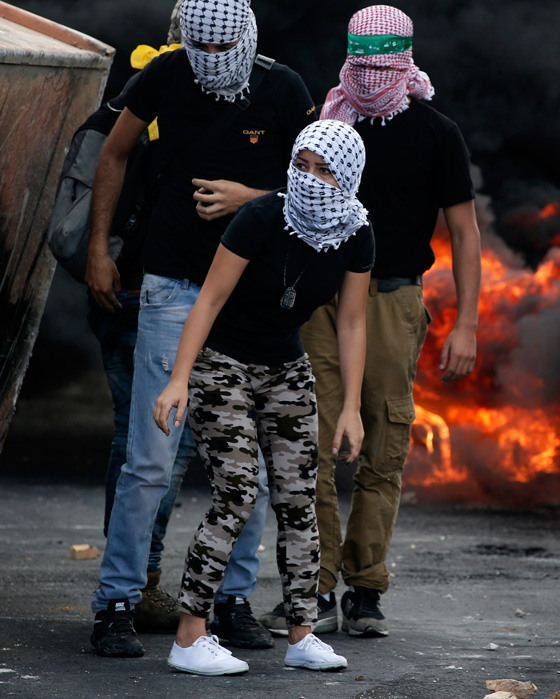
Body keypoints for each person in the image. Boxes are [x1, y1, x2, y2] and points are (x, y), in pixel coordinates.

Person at [86, 0, 316, 658]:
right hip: (172, 287)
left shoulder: (283, 87)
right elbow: (114, 152)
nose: (211, 61)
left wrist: (249, 199)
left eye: (223, 48)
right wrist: (99, 246)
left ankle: (233, 600)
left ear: (246, 35)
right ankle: (116, 601)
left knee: (253, 468)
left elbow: (317, 184)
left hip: (247, 301)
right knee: (149, 460)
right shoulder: (165, 73)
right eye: (201, 48)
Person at [260, 4, 482, 638]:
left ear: (405, 61)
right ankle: (315, 587)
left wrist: (467, 324)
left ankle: (365, 587)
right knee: (311, 439)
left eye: (380, 65)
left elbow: (465, 234)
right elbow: (288, 202)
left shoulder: (436, 132)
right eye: (358, 63)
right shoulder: (327, 126)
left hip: (390, 301)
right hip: (320, 299)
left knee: (383, 442)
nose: (368, 77)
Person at [154, 118, 374, 676]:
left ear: (349, 176)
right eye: (302, 164)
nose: (309, 178)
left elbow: (351, 322)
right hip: (222, 362)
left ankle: (302, 634)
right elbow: (208, 300)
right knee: (237, 493)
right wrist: (179, 378)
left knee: (300, 499)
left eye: (324, 170)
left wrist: (351, 408)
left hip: (286, 368)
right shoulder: (261, 216)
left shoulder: (356, 233)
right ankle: (189, 636)